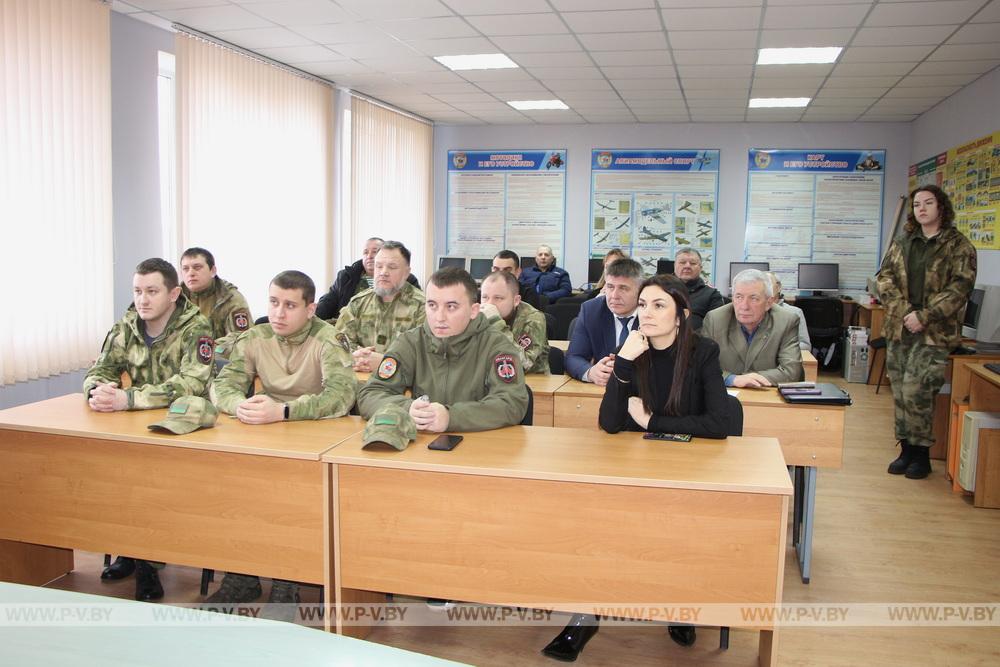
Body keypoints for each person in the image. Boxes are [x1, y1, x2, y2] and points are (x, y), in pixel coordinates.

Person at [542, 274, 730, 662]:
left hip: (689, 469)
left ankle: (679, 604)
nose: (646, 313)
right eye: (643, 305)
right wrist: (624, 362)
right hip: (636, 466)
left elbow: (719, 424)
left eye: (659, 305)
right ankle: (585, 615)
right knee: (597, 525)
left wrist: (653, 423)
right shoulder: (631, 350)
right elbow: (610, 423)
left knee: (677, 529)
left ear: (681, 314)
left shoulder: (704, 352)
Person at [207, 270, 356, 619]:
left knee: (290, 504)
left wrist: (285, 411)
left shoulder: (328, 339)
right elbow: (223, 384)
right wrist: (238, 405)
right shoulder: (255, 337)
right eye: (273, 303)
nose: (278, 313)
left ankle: (287, 583)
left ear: (310, 308)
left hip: (314, 438)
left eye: (290, 305)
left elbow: (341, 396)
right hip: (265, 433)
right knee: (237, 496)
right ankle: (241, 576)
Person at [83, 258, 214, 602]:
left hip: (180, 427)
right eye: (138, 291)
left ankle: (147, 564)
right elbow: (102, 369)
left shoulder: (196, 328)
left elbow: (192, 383)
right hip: (132, 424)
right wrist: (98, 392)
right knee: (115, 479)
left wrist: (128, 398)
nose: (143, 300)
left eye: (152, 291)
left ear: (173, 293)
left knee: (149, 483)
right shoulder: (126, 325)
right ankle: (133, 550)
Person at [877, 185, 977, 479]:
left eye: (928, 203)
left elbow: (960, 287)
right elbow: (884, 278)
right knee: (900, 391)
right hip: (900, 327)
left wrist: (925, 316)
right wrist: (905, 311)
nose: (921, 208)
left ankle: (922, 454)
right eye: (917, 204)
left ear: (941, 207)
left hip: (934, 331)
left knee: (917, 390)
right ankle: (905, 448)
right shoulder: (903, 242)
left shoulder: (958, 245)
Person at [358, 267, 528, 436]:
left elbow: (512, 402)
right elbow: (370, 394)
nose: (439, 317)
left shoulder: (496, 346)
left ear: (474, 310)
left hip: (479, 445)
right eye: (432, 305)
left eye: (451, 307)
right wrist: (407, 409)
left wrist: (451, 417)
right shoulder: (410, 342)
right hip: (423, 447)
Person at [332, 241, 425, 373]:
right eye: (379, 266)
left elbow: (427, 358)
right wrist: (356, 356)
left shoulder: (422, 306)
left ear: (406, 273)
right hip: (359, 380)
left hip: (401, 386)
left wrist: (386, 363)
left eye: (392, 267)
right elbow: (338, 342)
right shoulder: (358, 303)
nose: (383, 272)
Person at [701, 269, 803, 388]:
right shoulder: (715, 319)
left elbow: (792, 372)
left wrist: (748, 379)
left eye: (753, 298)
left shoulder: (786, 321)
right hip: (725, 394)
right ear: (732, 298)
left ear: (768, 303)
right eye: (739, 297)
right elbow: (701, 366)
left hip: (768, 397)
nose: (744, 306)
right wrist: (732, 379)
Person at [565, 257, 643, 385]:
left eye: (623, 288)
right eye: (610, 287)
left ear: (640, 291)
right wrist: (591, 372)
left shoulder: (651, 314)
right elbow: (574, 357)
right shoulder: (591, 310)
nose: (614, 295)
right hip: (604, 391)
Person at [315, 237, 421, 321]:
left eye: (375, 251)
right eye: (365, 252)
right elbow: (327, 303)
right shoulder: (346, 277)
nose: (369, 256)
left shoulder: (407, 280)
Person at [179, 247, 253, 358]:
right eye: (185, 269)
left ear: (213, 270)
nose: (191, 273)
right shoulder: (174, 298)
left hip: (217, 360)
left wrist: (207, 349)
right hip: (182, 359)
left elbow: (243, 336)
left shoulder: (230, 297)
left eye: (197, 267)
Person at [480, 270, 550, 374]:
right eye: (485, 297)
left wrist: (496, 324)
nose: (490, 304)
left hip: (530, 383)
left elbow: (524, 364)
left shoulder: (533, 319)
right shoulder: (476, 315)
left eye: (498, 298)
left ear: (516, 300)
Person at [674, 247, 723, 330]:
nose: (687, 266)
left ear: (700, 268)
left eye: (693, 263)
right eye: (682, 262)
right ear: (674, 266)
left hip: (697, 340)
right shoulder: (662, 291)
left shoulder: (712, 295)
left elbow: (716, 327)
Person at [765, 272, 811, 351]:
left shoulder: (794, 312)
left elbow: (805, 346)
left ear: (778, 287)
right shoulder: (751, 312)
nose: (764, 288)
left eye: (768, 283)